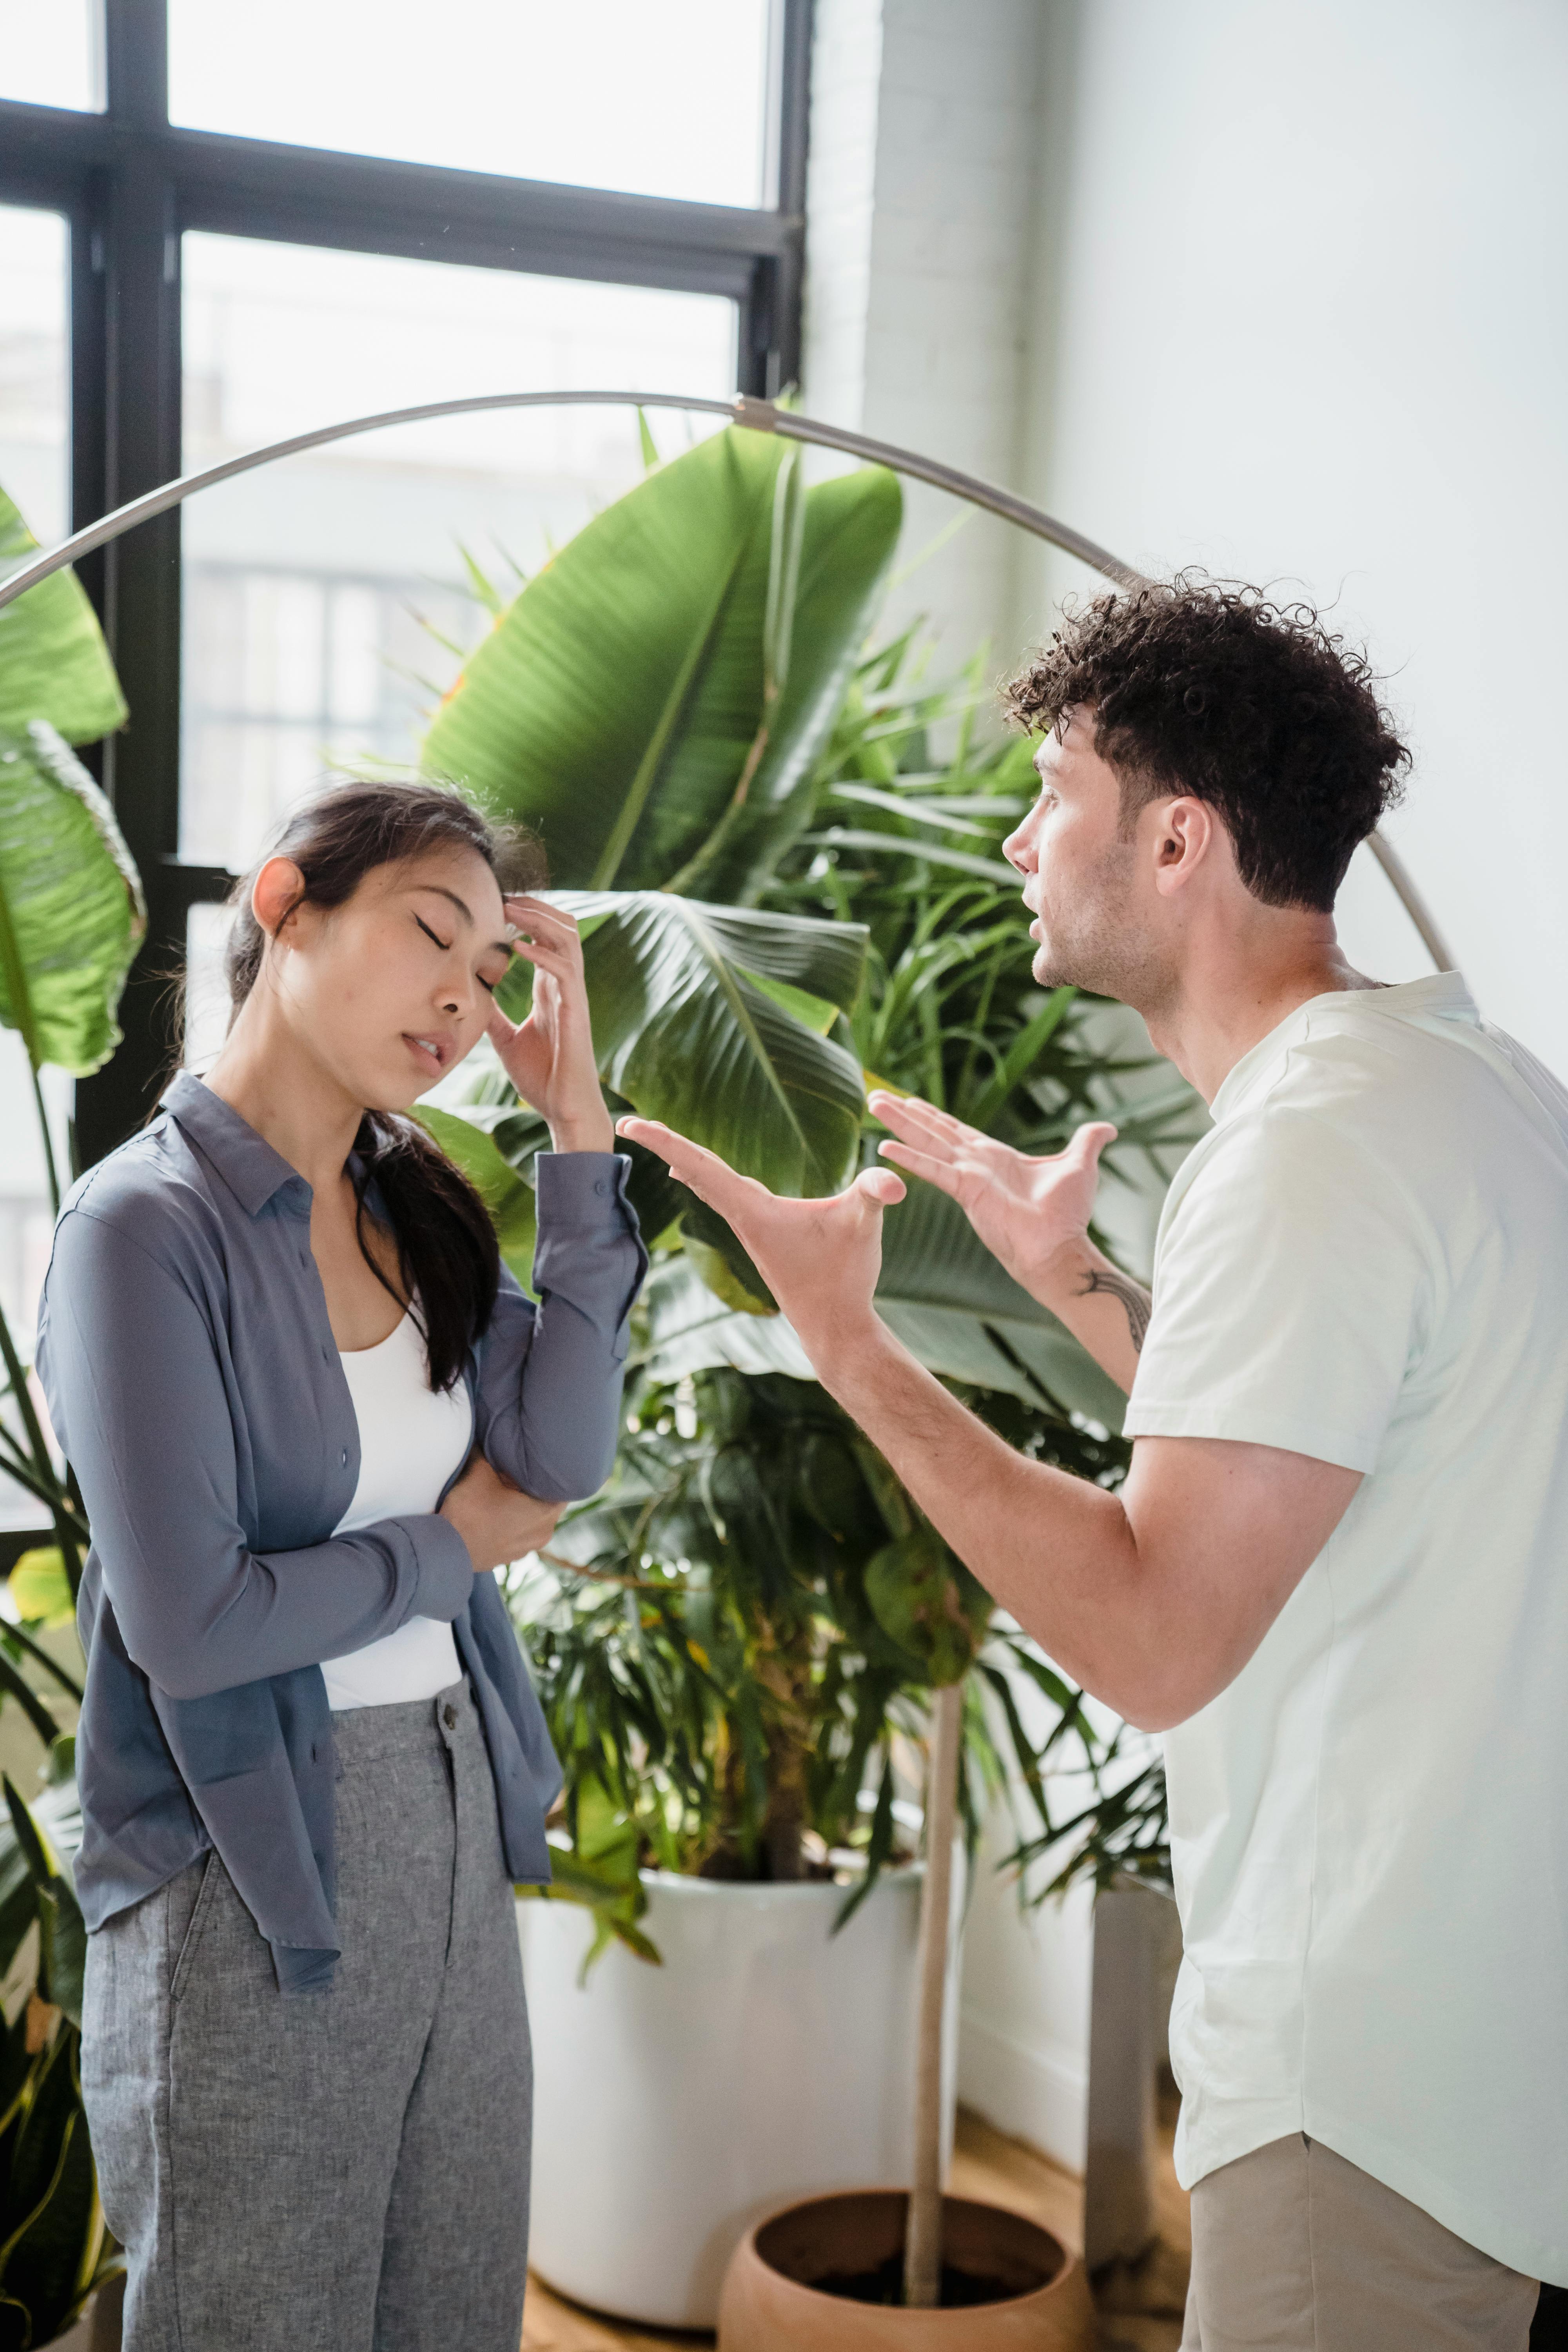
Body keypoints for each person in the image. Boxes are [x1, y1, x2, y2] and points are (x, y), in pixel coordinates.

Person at [619, 581, 1567, 2350]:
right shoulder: (1469, 1086)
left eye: (1055, 790)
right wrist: (1078, 1282)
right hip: (1491, 2041)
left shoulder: (1308, 1152)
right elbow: (1332, 1460)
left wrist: (847, 1342)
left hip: (1358, 2083)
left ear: (1180, 840)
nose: (1016, 836)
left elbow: (1152, 1634)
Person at [37, 781, 646, 2352]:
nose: (462, 997)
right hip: (249, 1861)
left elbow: (563, 1456)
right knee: (258, 2314)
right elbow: (197, 1623)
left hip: (451, 1816)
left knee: (445, 2306)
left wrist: (578, 1143)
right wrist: (448, 1553)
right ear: (284, 906)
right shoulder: (138, 1229)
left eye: (494, 973)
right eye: (431, 937)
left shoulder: (418, 1208)